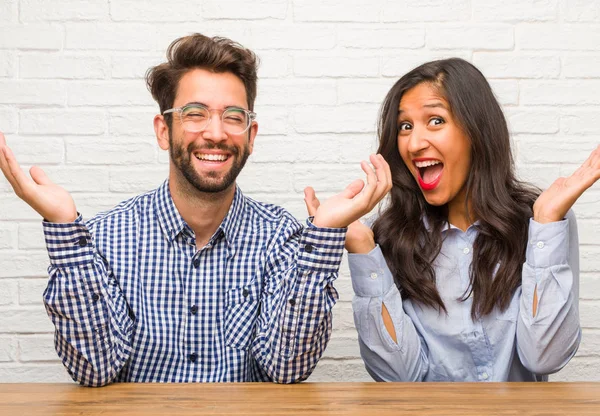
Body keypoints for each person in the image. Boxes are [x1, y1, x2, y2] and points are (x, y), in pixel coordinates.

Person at [0, 33, 389, 386]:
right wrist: (65, 228)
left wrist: (322, 234)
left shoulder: (282, 237)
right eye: (195, 113)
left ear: (251, 136)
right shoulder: (104, 238)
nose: (216, 133)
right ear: (163, 130)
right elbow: (95, 370)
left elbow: (286, 368)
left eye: (233, 117)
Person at [306, 58, 599, 382]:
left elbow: (544, 357)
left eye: (435, 120)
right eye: (405, 126)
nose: (415, 143)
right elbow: (398, 377)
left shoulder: (543, 225)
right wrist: (363, 249)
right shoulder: (391, 238)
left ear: (476, 131)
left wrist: (545, 223)